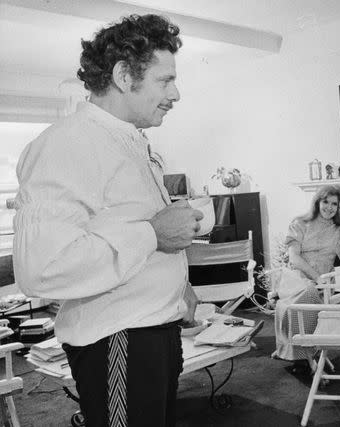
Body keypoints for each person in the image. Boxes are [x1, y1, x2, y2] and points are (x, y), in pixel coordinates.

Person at [12, 14, 202, 427]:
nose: (176, 93)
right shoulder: (66, 144)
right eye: (164, 80)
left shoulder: (127, 141)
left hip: (152, 332)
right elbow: (40, 268)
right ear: (122, 75)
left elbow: (120, 227)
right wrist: (153, 234)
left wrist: (177, 288)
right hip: (120, 340)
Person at [271, 185, 340, 371]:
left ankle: (303, 350)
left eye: (334, 204)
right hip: (296, 279)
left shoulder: (338, 229)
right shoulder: (299, 223)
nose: (329, 207)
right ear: (317, 202)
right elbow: (294, 258)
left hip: (322, 283)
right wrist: (316, 277)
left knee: (311, 293)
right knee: (307, 292)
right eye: (325, 202)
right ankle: (302, 351)